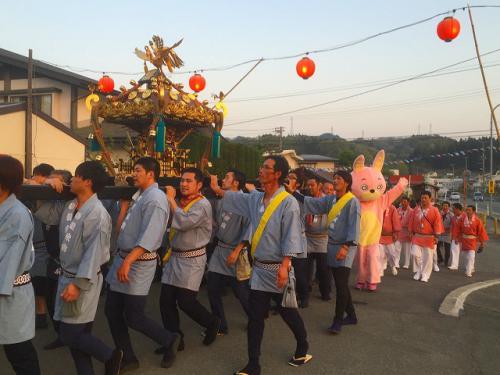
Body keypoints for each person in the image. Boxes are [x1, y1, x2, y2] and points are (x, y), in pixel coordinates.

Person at [211, 155, 311, 375]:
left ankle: (302, 344)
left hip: (278, 269)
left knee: (288, 312)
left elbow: (292, 236)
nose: (261, 170)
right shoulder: (255, 198)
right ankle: (253, 364)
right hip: (259, 269)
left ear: (277, 174)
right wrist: (214, 187)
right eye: (262, 166)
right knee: (256, 318)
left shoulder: (288, 202)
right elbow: (232, 198)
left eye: (266, 168)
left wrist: (285, 266)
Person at [105, 157, 179, 371]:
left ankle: (169, 339)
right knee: (112, 311)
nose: (134, 174)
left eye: (138, 170)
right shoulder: (140, 196)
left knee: (134, 316)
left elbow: (151, 237)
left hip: (138, 263)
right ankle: (127, 356)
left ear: (150, 174)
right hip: (124, 258)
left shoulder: (156, 199)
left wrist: (127, 261)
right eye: (134, 170)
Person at [52, 161, 122, 375]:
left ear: (88, 182)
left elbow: (94, 255)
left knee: (70, 334)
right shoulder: (71, 205)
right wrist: (47, 181)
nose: (71, 179)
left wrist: (77, 284)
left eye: (75, 176)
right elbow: (46, 214)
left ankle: (111, 356)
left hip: (83, 280)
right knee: (76, 336)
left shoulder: (98, 214)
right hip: (67, 276)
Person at [289, 170, 360, 334]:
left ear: (347, 183)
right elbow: (313, 204)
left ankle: (337, 321)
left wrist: (346, 247)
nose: (335, 181)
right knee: (340, 282)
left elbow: (354, 225)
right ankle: (352, 315)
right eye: (334, 178)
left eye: (338, 179)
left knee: (341, 284)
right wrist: (293, 193)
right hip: (332, 244)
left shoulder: (352, 201)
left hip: (345, 246)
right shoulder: (331, 199)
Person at [160, 167, 220, 350]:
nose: (184, 184)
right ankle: (174, 339)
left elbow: (184, 222)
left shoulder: (202, 204)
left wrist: (170, 199)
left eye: (189, 181)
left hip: (192, 259)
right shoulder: (182, 201)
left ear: (199, 184)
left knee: (186, 302)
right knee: (165, 301)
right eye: (182, 181)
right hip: (174, 257)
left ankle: (211, 322)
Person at [0, 155, 41, 375]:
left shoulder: (16, 214)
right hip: (7, 288)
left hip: (10, 291)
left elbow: (8, 261)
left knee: (19, 351)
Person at [207, 169, 251, 335]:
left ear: (236, 183)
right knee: (212, 288)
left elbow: (249, 229)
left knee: (240, 292)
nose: (223, 180)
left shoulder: (245, 201)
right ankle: (220, 324)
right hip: (220, 249)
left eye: (226, 177)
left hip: (235, 252)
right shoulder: (222, 199)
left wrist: (237, 250)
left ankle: (255, 318)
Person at [33, 169, 72, 350]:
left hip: (65, 260)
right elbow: (31, 184)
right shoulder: (48, 197)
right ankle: (62, 336)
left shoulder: (69, 202)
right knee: (50, 299)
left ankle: (76, 339)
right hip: (52, 257)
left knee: (65, 301)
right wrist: (45, 183)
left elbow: (53, 218)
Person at [25, 163, 55, 329]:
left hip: (45, 245)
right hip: (34, 245)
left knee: (43, 284)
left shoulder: (53, 191)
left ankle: (42, 316)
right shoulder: (27, 190)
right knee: (37, 282)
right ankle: (40, 316)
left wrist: (48, 182)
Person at [303, 176, 331, 301]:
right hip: (308, 237)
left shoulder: (326, 200)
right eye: (308, 185)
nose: (310, 188)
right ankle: (305, 290)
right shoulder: (306, 200)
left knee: (323, 269)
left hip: (322, 238)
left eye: (312, 185)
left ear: (319, 186)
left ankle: (325, 292)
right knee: (306, 268)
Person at [408, 191, 444, 283]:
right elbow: (411, 221)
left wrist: (437, 236)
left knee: (428, 257)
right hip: (417, 236)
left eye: (425, 198)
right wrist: (410, 231)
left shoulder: (435, 210)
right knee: (415, 255)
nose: (423, 200)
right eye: (422, 198)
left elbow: (437, 223)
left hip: (429, 237)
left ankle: (425, 275)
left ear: (430, 199)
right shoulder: (416, 209)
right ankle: (419, 271)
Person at [287, 172, 310, 308]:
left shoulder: (301, 198)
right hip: (284, 239)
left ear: (299, 184)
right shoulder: (281, 195)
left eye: (293, 178)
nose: (289, 180)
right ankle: (287, 297)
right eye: (288, 177)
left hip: (298, 239)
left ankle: (304, 296)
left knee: (300, 272)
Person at [456, 205, 488, 277]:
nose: (467, 211)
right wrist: (456, 238)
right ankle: (470, 267)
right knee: (465, 256)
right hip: (464, 240)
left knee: (471, 256)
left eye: (469, 210)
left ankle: (468, 271)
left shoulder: (477, 220)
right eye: (466, 210)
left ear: (473, 211)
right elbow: (458, 229)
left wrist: (482, 244)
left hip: (472, 240)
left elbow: (481, 232)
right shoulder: (462, 219)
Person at [379, 204, 401, 277]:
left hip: (389, 236)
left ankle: (393, 266)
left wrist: (396, 232)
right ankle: (380, 269)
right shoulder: (378, 206)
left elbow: (395, 220)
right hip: (379, 236)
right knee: (380, 254)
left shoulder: (392, 208)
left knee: (392, 254)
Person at [396, 196, 413, 269]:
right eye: (402, 201)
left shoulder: (411, 211)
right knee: (396, 248)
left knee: (407, 250)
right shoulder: (398, 210)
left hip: (407, 232)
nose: (403, 203)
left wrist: (411, 232)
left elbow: (412, 222)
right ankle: (396, 262)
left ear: (408, 202)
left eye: (405, 201)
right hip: (399, 232)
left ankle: (406, 263)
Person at [448, 203, 465, 270]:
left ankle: (470, 267)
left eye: (453, 209)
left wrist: (458, 237)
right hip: (454, 237)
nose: (452, 210)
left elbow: (464, 229)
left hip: (462, 238)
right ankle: (454, 265)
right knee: (454, 251)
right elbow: (452, 228)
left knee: (466, 254)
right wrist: (452, 236)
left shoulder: (464, 217)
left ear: (458, 209)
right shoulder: (453, 217)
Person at [437, 201, 453, 267]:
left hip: (447, 234)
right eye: (444, 205)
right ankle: (440, 258)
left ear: (449, 207)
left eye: (446, 206)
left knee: (447, 249)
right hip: (440, 233)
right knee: (436, 247)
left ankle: (446, 261)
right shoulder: (438, 213)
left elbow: (453, 224)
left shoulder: (451, 215)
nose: (445, 207)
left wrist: (449, 229)